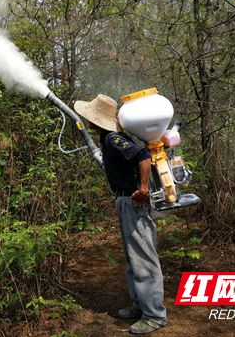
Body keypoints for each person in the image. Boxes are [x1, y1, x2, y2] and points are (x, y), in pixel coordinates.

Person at [74, 94, 167, 335]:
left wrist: (144, 188)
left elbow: (143, 156)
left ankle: (154, 315)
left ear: (97, 120)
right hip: (126, 201)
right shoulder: (111, 137)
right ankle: (139, 304)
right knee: (134, 258)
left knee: (143, 258)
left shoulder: (113, 138)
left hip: (133, 201)